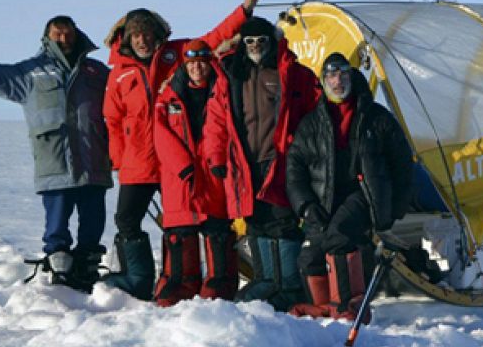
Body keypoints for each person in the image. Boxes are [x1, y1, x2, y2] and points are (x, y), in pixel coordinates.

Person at [100, 0, 261, 299]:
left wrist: (244, 10)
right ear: (127, 38)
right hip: (139, 162)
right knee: (127, 219)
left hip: (179, 162)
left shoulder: (176, 55)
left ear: (157, 34)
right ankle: (138, 278)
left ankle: (196, 279)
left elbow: (214, 39)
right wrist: (118, 160)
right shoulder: (119, 73)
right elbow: (113, 121)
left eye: (148, 33)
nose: (143, 40)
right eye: (136, 35)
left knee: (190, 219)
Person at [0, 15, 111, 291]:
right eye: (57, 34)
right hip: (55, 162)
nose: (64, 38)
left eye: (68, 33)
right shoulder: (31, 72)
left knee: (93, 222)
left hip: (94, 160)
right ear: (47, 37)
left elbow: (125, 100)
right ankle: (60, 272)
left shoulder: (97, 72)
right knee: (57, 226)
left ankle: (87, 268)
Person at [284, 52, 414, 321]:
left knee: (339, 236)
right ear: (323, 81)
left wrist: (396, 207)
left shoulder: (376, 118)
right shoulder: (311, 124)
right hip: (323, 199)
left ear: (352, 77)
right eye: (331, 76)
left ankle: (349, 308)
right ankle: (323, 313)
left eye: (343, 74)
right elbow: (294, 170)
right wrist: (306, 205)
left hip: (364, 194)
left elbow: (402, 163)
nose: (338, 81)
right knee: (310, 254)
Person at [225, 16, 321, 307]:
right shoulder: (234, 75)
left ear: (272, 41)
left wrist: (304, 150)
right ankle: (267, 280)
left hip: (280, 158)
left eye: (261, 41)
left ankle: (288, 286)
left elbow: (314, 112)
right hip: (246, 161)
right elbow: (220, 117)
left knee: (282, 220)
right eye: (250, 41)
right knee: (255, 220)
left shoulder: (290, 73)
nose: (255, 46)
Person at [150, 42, 252, 306]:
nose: (197, 68)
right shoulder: (169, 95)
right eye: (192, 63)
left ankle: (220, 284)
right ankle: (180, 284)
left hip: (213, 173)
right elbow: (160, 133)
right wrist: (183, 165)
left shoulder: (223, 90)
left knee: (217, 231)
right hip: (179, 177)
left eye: (202, 62)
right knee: (180, 232)